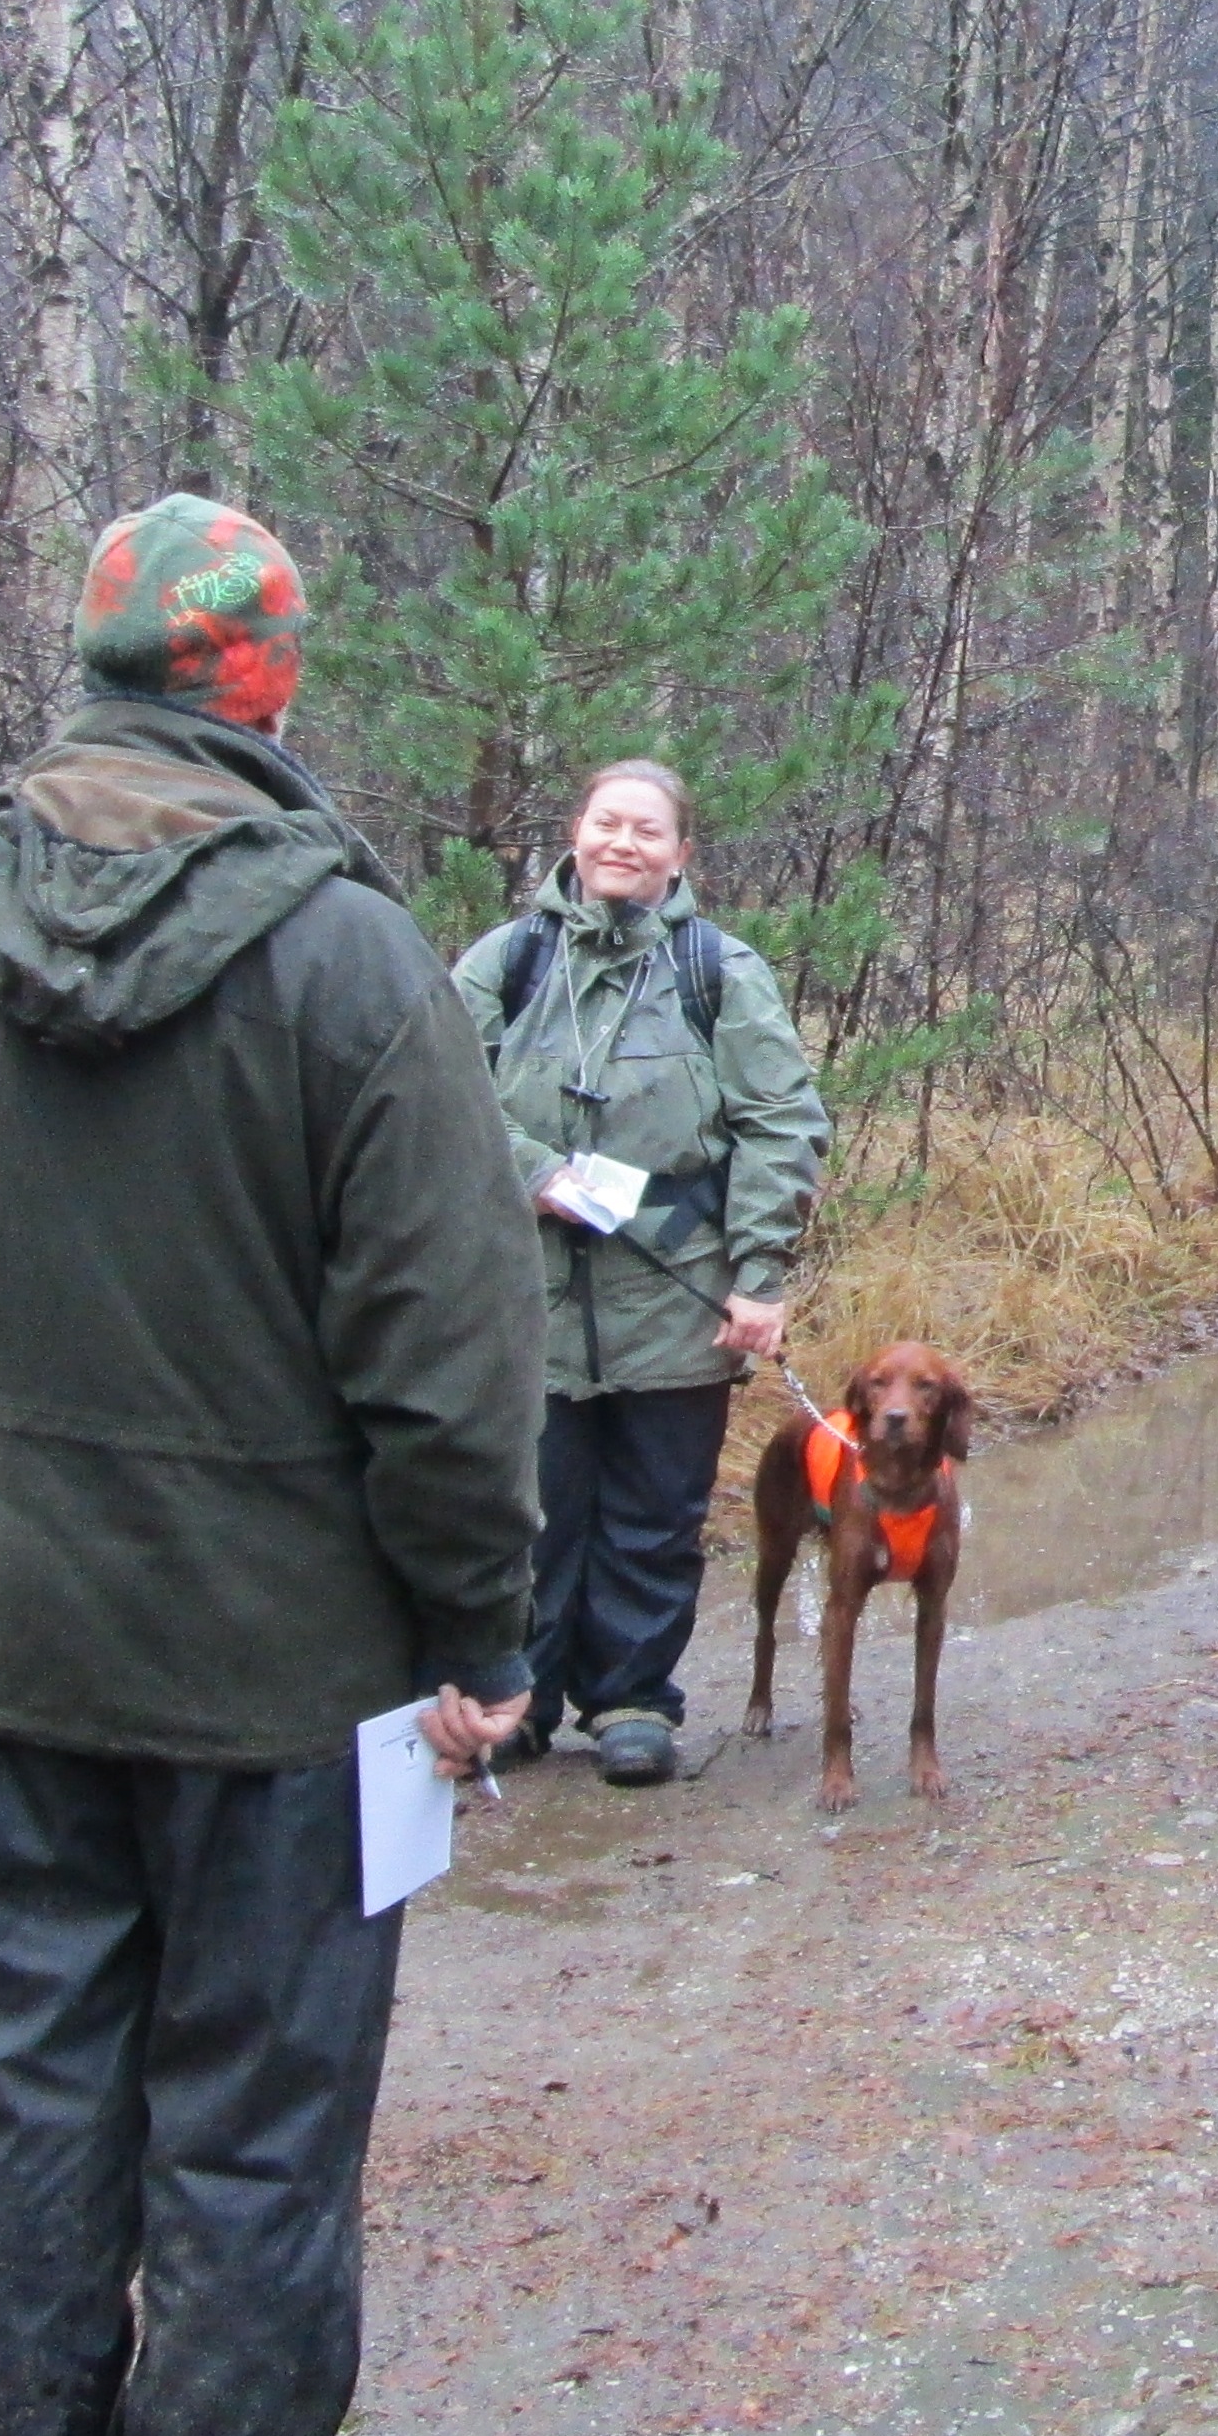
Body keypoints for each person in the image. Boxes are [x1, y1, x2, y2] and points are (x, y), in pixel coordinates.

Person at [0, 493, 543, 2436]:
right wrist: (476, 1631)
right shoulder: (349, 956)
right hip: (281, 1692)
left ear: (102, 663)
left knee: (22, 2120)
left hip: (20, 1662)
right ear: (266, 682)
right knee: (253, 2137)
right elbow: (449, 1372)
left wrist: (36, 1443)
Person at [453, 761, 831, 1785]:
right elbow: (432, 1094)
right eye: (607, 823)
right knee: (529, 1512)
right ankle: (518, 1701)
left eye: (648, 831)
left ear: (681, 854)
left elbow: (780, 1125)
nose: (624, 843)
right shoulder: (506, 962)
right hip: (522, 1296)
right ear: (575, 832)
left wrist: (760, 1275)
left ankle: (631, 1700)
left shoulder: (719, 970)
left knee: (655, 1515)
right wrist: (533, 1172)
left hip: (680, 1292)